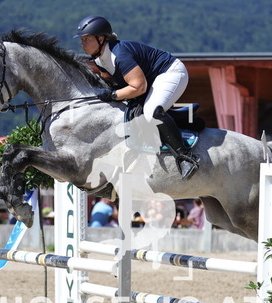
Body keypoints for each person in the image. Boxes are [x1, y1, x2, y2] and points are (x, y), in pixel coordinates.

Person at [75, 15, 198, 180]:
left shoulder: (119, 55)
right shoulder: (99, 59)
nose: (82, 44)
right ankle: (181, 118)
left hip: (170, 72)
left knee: (151, 111)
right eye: (82, 40)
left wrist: (113, 95)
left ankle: (185, 158)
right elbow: (109, 81)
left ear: (101, 39)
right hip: (150, 80)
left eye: (87, 39)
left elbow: (139, 87)